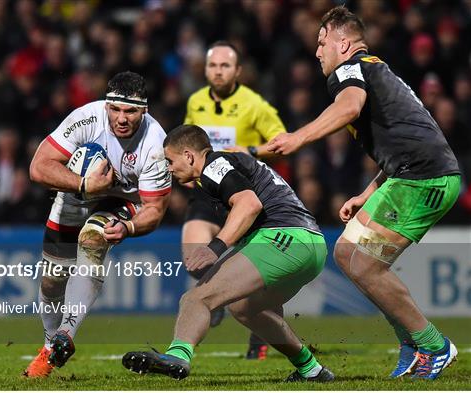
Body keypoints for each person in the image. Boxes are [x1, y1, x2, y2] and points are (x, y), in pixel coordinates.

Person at [268, 6, 460, 380]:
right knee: (346, 253)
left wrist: (298, 137)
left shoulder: (350, 69)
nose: (317, 51)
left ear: (343, 42)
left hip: (423, 179)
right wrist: (366, 193)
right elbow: (404, 142)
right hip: (408, 175)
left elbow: (349, 106)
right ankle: (410, 342)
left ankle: (434, 345)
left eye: (322, 42)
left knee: (368, 264)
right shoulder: (373, 68)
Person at [121, 124, 334, 383]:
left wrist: (216, 247)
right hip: (311, 246)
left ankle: (178, 355)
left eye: (170, 161)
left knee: (196, 299)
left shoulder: (214, 164)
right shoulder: (225, 167)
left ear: (189, 156)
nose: (169, 168)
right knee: (245, 308)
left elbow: (249, 204)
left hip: (281, 238)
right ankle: (311, 370)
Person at [24, 71, 171, 377]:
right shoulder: (86, 118)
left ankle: (65, 335)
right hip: (78, 193)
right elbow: (38, 167)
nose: (121, 118)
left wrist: (129, 228)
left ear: (144, 110)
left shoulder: (156, 144)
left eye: (130, 111)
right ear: (106, 105)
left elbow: (155, 209)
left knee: (93, 238)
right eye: (115, 109)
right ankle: (50, 346)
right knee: (52, 280)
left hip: (123, 202)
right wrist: (82, 184)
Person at [183, 40, 287, 360]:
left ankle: (261, 342)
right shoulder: (196, 102)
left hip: (242, 193)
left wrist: (251, 152)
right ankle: (212, 299)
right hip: (206, 192)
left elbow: (281, 141)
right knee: (193, 253)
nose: (218, 71)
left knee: (260, 277)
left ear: (238, 71)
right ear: (205, 70)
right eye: (213, 65)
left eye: (225, 66)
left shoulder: (254, 104)